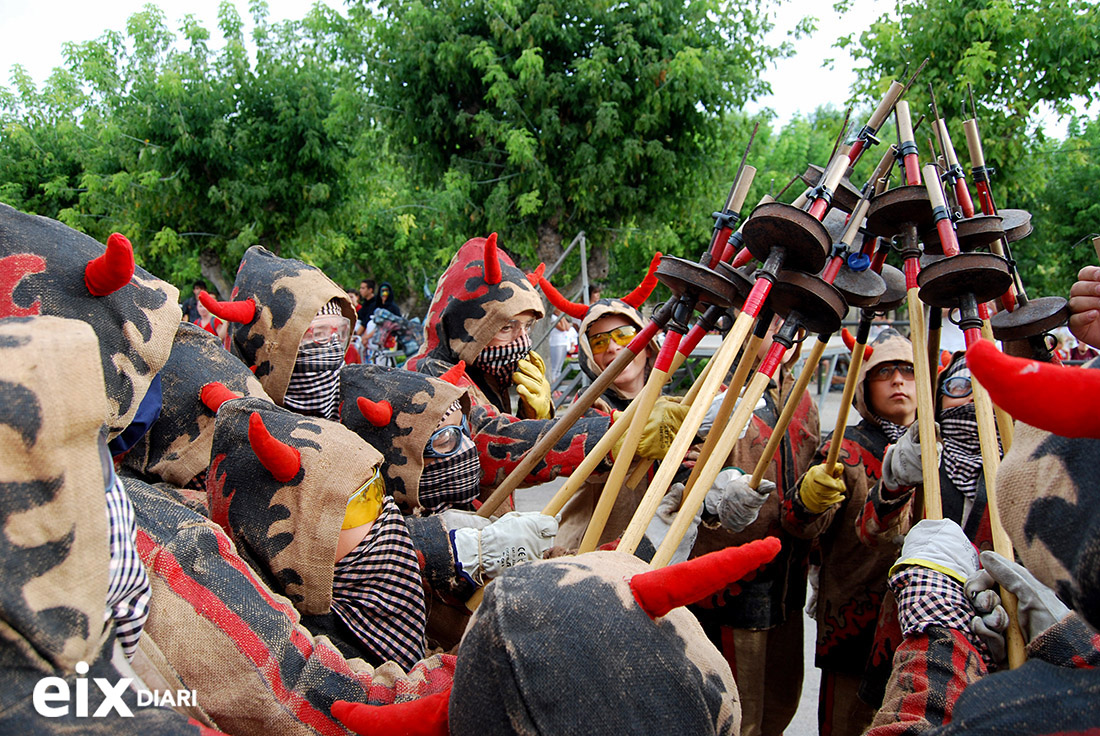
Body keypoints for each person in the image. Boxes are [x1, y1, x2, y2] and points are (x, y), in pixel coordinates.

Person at [863, 339, 1100, 734]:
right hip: (910, 640)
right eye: (957, 388)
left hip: (1021, 658)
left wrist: (1064, 632)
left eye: (981, 387)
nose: (971, 397)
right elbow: (870, 534)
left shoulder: (1030, 468)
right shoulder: (921, 456)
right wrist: (893, 484)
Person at [408, 233, 678, 498]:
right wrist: (620, 434)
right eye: (506, 327)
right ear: (471, 328)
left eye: (527, 327)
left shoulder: (484, 374)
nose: (522, 341)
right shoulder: (430, 377)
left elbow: (521, 466)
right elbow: (488, 447)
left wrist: (533, 415)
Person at [781, 328, 917, 736]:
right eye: (884, 372)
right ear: (864, 386)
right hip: (855, 619)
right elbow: (800, 525)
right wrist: (807, 499)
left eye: (908, 371)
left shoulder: (945, 446)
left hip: (922, 621)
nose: (897, 380)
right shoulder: (844, 448)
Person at [198, 245, 357, 421]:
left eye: (337, 333)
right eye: (318, 334)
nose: (332, 347)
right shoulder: (229, 423)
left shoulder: (356, 412)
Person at [547, 314, 578, 385]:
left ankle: (557, 386)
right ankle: (553, 387)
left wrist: (562, 317)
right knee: (554, 368)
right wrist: (561, 317)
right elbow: (563, 328)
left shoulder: (560, 317)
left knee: (559, 369)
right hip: (556, 343)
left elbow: (568, 327)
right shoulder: (552, 317)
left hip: (563, 343)